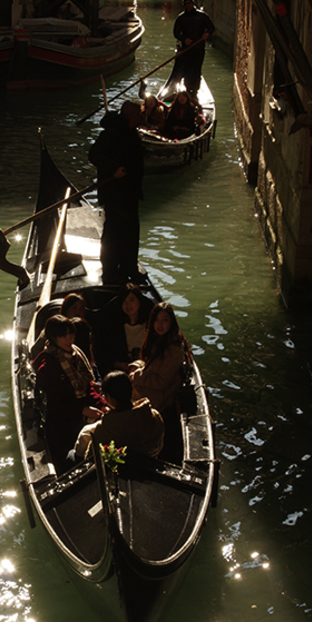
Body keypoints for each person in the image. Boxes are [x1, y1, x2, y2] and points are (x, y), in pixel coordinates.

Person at [34, 315, 105, 472]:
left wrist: (102, 404)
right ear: (53, 338)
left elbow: (87, 388)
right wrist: (83, 411)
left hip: (80, 413)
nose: (69, 340)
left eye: (71, 335)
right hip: (62, 425)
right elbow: (54, 406)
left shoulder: (76, 355)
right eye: (63, 336)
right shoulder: (48, 367)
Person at [88, 101, 144, 285]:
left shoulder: (131, 133)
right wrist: (114, 169)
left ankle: (129, 268)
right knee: (113, 233)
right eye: (138, 115)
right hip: (115, 193)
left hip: (130, 192)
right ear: (133, 116)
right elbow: (94, 155)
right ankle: (110, 271)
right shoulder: (111, 133)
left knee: (131, 232)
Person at [74, 371, 165, 461]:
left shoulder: (105, 428)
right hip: (150, 463)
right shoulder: (154, 416)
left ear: (109, 397)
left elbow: (91, 459)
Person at [129, 302, 188, 415]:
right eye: (156, 320)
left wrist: (137, 376)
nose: (160, 324)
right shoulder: (158, 340)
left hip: (158, 399)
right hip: (149, 390)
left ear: (171, 322)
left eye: (164, 320)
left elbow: (162, 382)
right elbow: (150, 364)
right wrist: (136, 366)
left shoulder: (173, 350)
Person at [171, 0, 215, 96]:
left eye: (189, 3)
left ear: (193, 4)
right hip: (186, 49)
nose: (188, 6)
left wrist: (207, 34)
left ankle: (194, 91)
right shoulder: (181, 18)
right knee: (187, 70)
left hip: (199, 48)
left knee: (196, 69)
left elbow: (211, 28)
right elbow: (176, 33)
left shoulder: (202, 16)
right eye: (185, 4)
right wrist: (184, 39)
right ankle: (188, 89)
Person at [60, 292, 94, 366]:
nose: (78, 312)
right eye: (74, 308)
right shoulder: (56, 329)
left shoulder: (86, 329)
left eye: (81, 309)